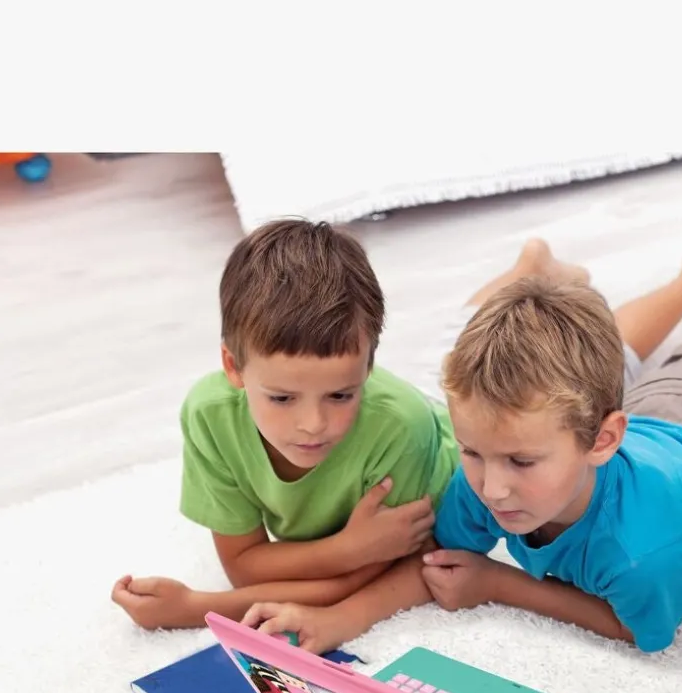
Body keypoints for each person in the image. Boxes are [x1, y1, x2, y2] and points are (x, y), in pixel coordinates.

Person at [241, 245, 682, 654]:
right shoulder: (496, 462)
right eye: (472, 453)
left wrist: (500, 584)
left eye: (519, 463)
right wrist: (342, 620)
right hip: (654, 420)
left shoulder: (640, 554)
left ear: (601, 440)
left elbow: (639, 629)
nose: (491, 488)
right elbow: (433, 561)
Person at [110, 218, 459, 631]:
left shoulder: (402, 428)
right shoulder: (210, 416)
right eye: (281, 398)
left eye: (340, 395)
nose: (313, 425)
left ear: (369, 367)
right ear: (232, 367)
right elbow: (244, 567)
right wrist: (346, 549)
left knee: (473, 345)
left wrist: (199, 609)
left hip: (446, 430)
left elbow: (374, 576)